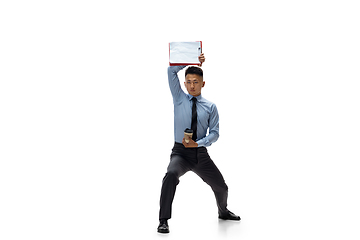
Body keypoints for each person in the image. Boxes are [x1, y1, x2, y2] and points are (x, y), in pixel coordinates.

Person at [158, 53, 240, 234]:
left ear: (203, 83)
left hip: (200, 153)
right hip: (180, 152)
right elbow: (171, 70)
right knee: (171, 175)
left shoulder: (211, 107)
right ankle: (163, 220)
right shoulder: (179, 98)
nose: (192, 85)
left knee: (221, 187)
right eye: (188, 82)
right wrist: (192, 60)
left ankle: (223, 211)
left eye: (195, 82)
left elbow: (215, 133)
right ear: (185, 83)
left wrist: (199, 143)